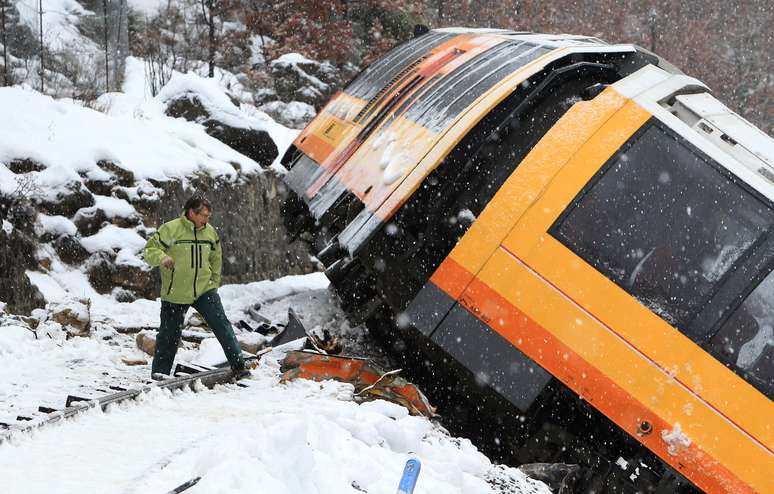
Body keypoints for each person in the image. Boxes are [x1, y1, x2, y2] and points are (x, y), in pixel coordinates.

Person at [144, 195, 248, 379]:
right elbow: (149, 251)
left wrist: (213, 282)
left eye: (208, 216)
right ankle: (160, 374)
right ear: (191, 212)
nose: (207, 220)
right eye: (204, 215)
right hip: (175, 292)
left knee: (222, 326)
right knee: (169, 336)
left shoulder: (210, 233)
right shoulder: (171, 229)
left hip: (204, 289)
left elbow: (216, 259)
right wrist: (162, 257)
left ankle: (239, 366)